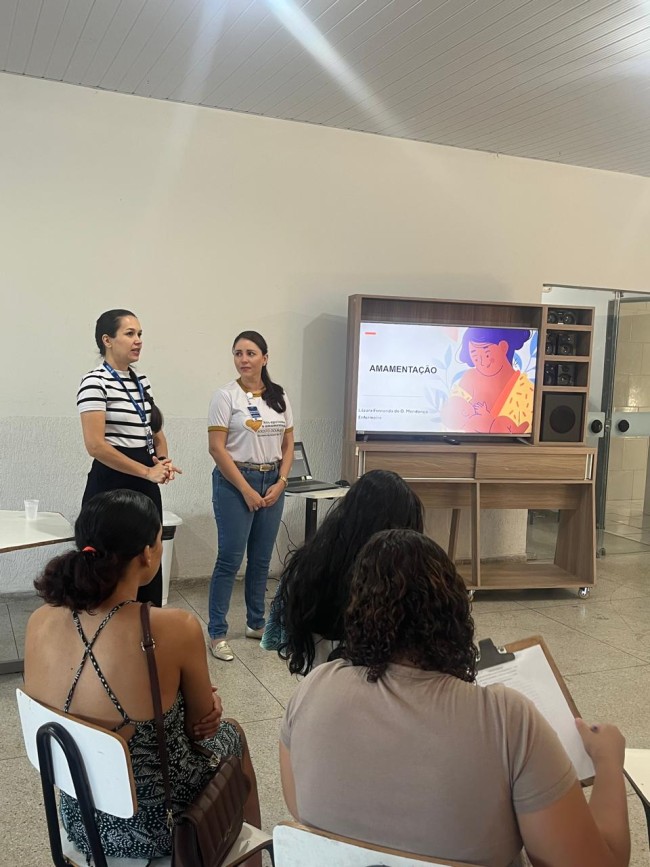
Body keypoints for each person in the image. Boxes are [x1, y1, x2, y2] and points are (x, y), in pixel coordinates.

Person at [280, 529, 630, 867]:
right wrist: (609, 762)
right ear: (455, 610)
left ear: (356, 612)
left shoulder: (313, 689)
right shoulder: (508, 721)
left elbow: (302, 811)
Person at [24, 490, 262, 862]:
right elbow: (202, 727)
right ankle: (246, 854)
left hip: (79, 819)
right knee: (233, 733)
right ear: (148, 554)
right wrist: (209, 703)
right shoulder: (173, 627)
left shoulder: (39, 620)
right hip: (163, 825)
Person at [263, 469, 424, 675]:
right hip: (376, 682)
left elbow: (281, 636)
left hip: (318, 676)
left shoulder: (307, 563)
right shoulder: (398, 579)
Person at [77, 309, 181, 606]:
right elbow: (96, 446)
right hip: (112, 485)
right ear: (107, 340)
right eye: (130, 333)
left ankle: (144, 626)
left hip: (144, 485)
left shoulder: (141, 381)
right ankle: (104, 628)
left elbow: (155, 431)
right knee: (110, 564)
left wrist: (162, 461)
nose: (138, 340)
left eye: (140, 334)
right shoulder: (94, 382)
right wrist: (146, 471)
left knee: (147, 559)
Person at [207, 330, 294, 661]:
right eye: (238, 353)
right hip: (235, 483)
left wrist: (281, 481)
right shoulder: (225, 396)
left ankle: (256, 623)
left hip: (272, 481)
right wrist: (245, 489)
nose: (243, 359)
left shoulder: (279, 396)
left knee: (260, 559)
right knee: (229, 559)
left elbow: (288, 444)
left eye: (251, 353)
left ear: (264, 358)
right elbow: (217, 449)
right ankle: (217, 633)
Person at [441, 327, 534, 435]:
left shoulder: (526, 389)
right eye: (475, 357)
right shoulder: (469, 378)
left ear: (503, 347)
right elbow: (450, 422)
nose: (481, 362)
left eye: (487, 354)